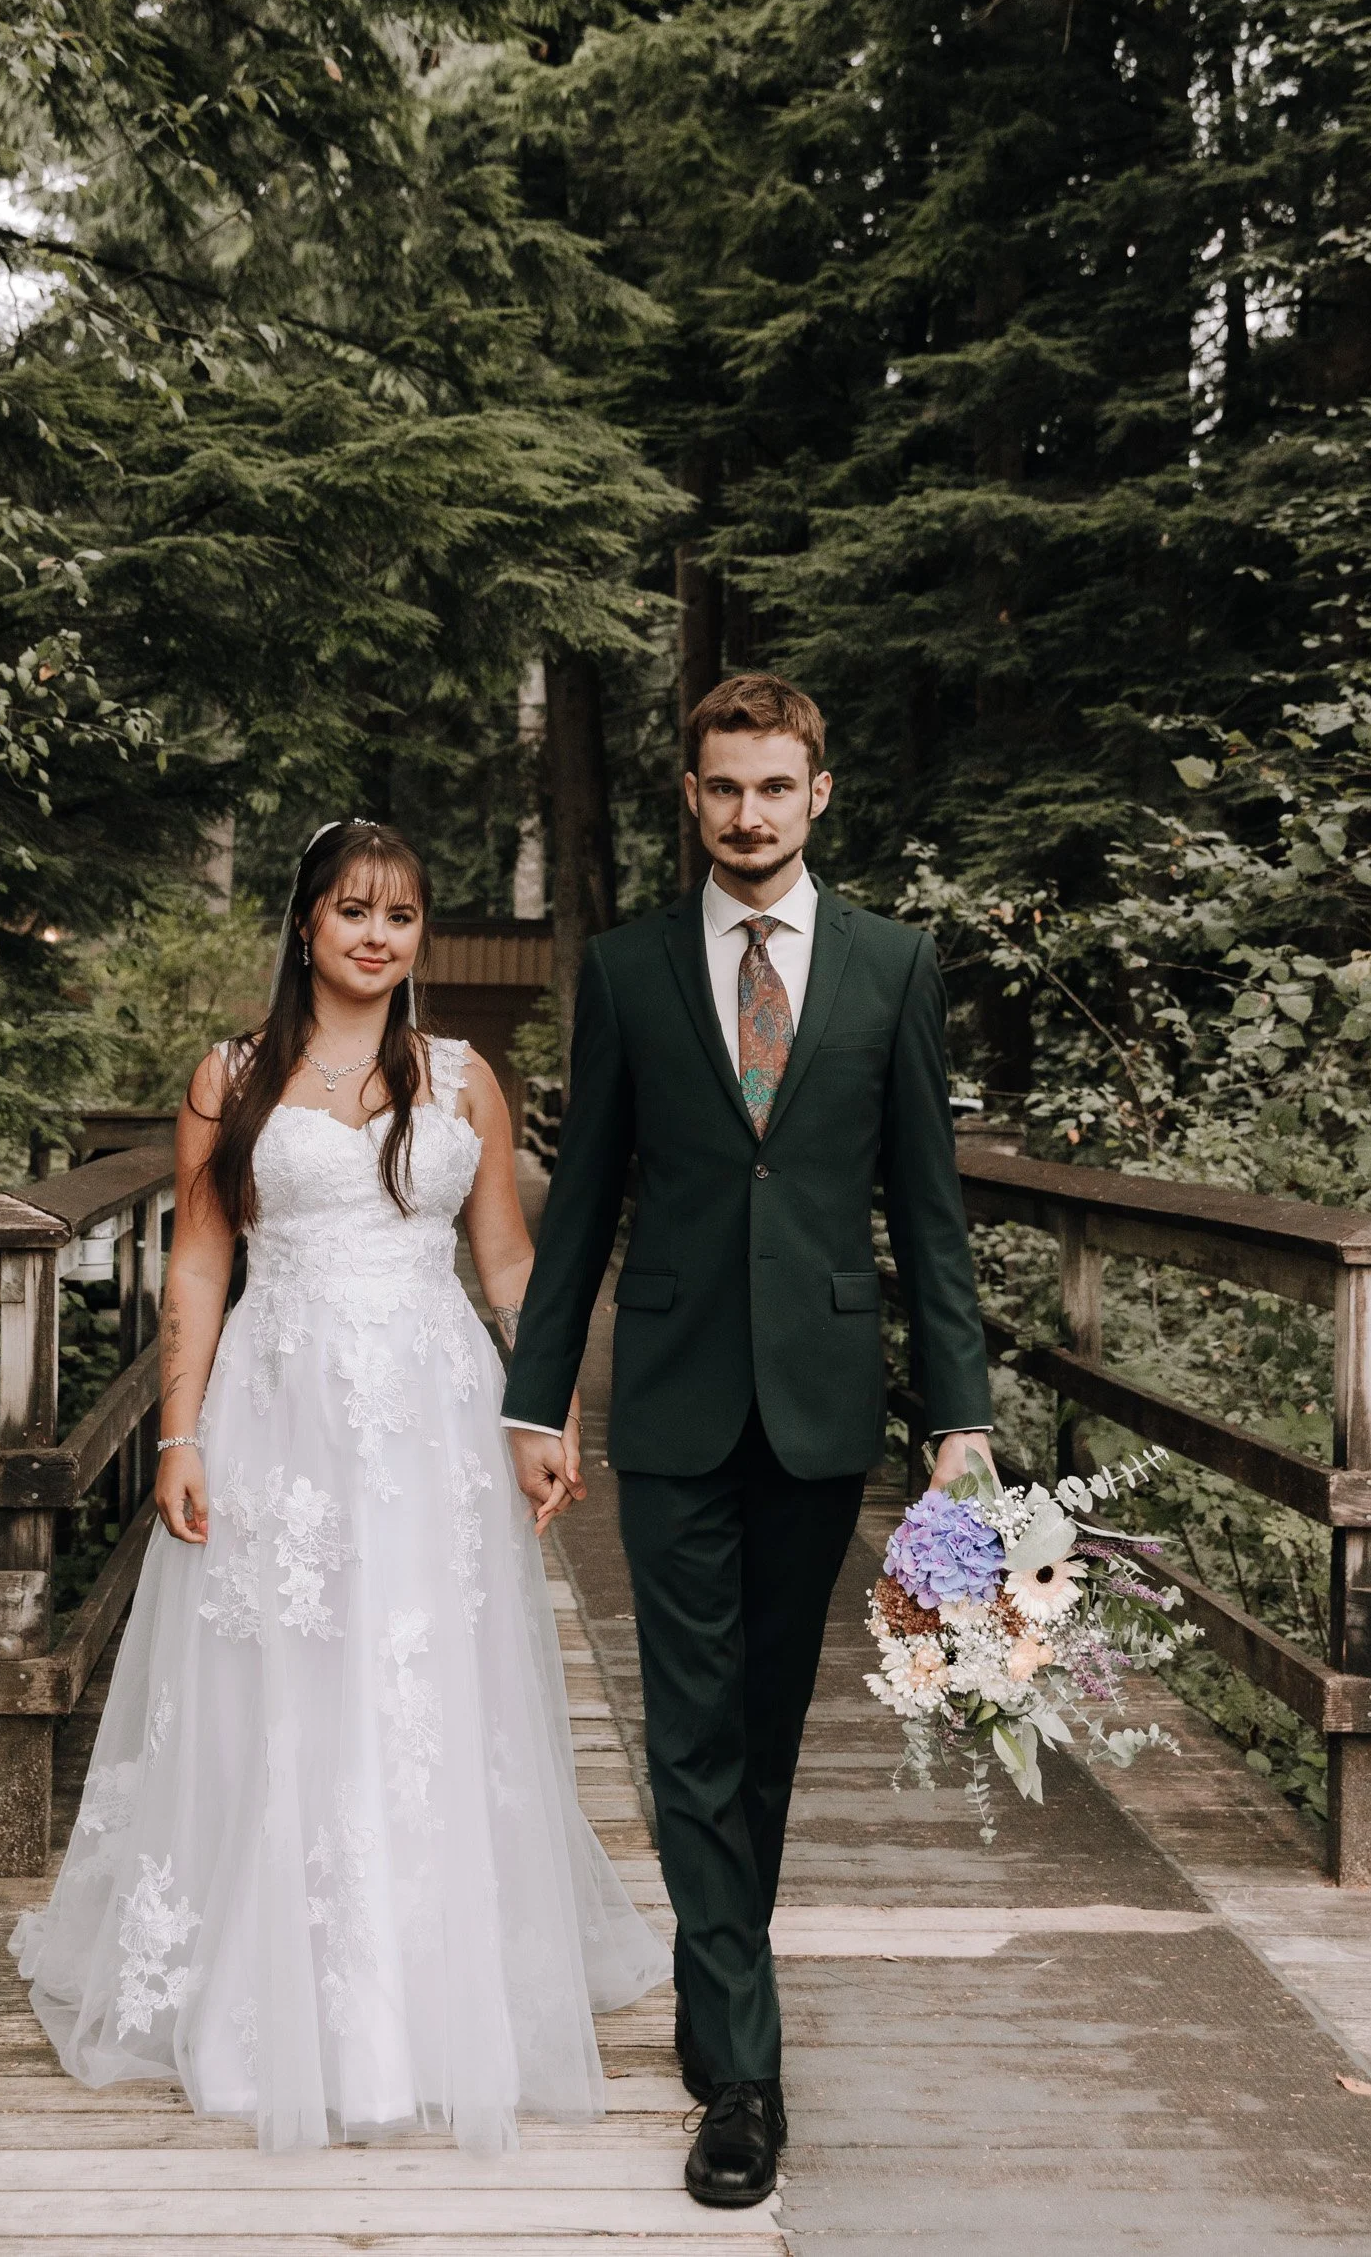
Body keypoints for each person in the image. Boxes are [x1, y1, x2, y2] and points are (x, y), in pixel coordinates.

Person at [11, 819, 670, 2154]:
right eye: (353, 910)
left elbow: (504, 1266)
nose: (378, 935)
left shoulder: (464, 1081)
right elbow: (199, 1265)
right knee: (288, 1687)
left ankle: (429, 2008)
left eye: (403, 914)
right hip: (279, 1413)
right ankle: (280, 2005)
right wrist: (181, 1438)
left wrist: (543, 1409)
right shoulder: (232, 1078)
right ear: (306, 923)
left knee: (419, 1682)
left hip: (433, 1416)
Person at [501, 674, 995, 2209]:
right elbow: (579, 1198)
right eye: (722, 789)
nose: (746, 816)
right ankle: (743, 2078)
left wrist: (957, 1414)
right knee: (686, 1730)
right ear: (690, 796)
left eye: (773, 788)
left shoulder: (892, 965)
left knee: (763, 1738)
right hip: (668, 1394)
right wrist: (536, 1395)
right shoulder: (629, 967)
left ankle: (724, 1985)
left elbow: (926, 1204)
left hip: (820, 1401)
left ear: (818, 794)